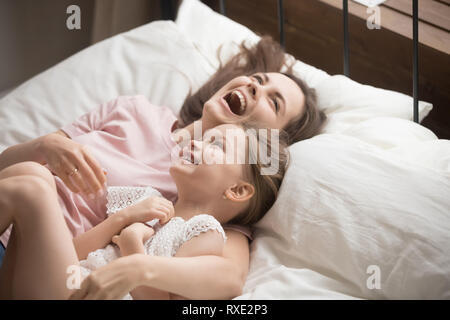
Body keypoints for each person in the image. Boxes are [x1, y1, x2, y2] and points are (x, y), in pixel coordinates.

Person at [0, 36, 326, 299]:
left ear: (270, 139)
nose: (256, 87)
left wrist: (137, 265)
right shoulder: (132, 110)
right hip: (9, 223)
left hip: (38, 269)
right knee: (32, 175)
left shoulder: (208, 189)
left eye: (274, 101)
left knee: (33, 183)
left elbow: (229, 278)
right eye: (257, 79)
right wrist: (43, 146)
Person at [0, 123, 289, 299]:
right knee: (32, 173)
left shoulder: (204, 231)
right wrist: (121, 219)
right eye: (204, 137)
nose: (195, 142)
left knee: (32, 191)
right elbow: (73, 253)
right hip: (66, 284)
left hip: (82, 294)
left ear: (237, 191)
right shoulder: (145, 202)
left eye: (216, 145)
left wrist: (131, 244)